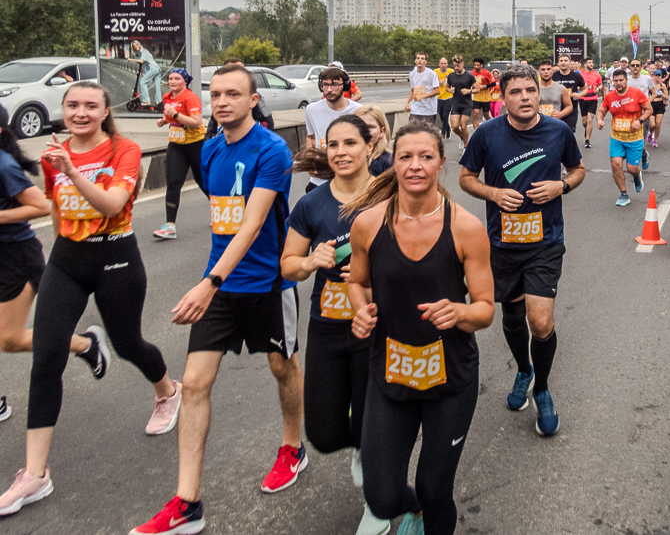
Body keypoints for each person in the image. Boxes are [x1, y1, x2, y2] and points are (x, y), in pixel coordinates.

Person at [132, 65, 301, 535]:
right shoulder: (208, 149)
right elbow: (220, 213)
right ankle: (187, 502)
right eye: (216, 94)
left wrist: (207, 282)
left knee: (281, 367)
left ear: (252, 101)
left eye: (233, 94)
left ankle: (293, 447)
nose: (222, 101)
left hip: (268, 282)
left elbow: (250, 223)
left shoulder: (272, 149)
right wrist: (213, 281)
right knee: (195, 381)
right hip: (222, 285)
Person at [1, 85, 180, 520]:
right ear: (63, 111)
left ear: (104, 111)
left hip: (116, 256)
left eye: (89, 106)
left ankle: (168, 391)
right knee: (46, 356)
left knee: (127, 344)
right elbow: (55, 209)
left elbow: (112, 203)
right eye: (72, 106)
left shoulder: (125, 149)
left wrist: (73, 171)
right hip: (66, 261)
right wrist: (61, 240)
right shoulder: (53, 154)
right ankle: (35, 474)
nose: (80, 113)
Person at [348, 123, 494, 534]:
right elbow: (356, 282)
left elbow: (485, 309)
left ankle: (429, 512)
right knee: (380, 495)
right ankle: (411, 509)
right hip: (390, 372)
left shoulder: (465, 228)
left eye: (426, 157)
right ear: (392, 164)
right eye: (405, 157)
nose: (415, 166)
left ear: (441, 164)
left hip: (450, 377)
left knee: (434, 488)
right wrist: (361, 310)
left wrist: (459, 313)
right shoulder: (368, 223)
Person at [458, 66, 584, 446]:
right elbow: (466, 178)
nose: (526, 97)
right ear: (503, 97)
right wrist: (494, 194)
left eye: (530, 90)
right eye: (516, 92)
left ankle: (542, 390)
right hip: (501, 245)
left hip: (546, 241)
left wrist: (561, 186)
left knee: (540, 321)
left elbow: (577, 170)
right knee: (511, 315)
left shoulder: (558, 131)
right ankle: (524, 369)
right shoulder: (486, 134)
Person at [281, 115, 386, 535]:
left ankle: (378, 505)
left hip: (376, 326)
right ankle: (364, 450)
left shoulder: (388, 196)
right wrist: (310, 262)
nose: (341, 152)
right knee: (323, 434)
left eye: (350, 143)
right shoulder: (311, 203)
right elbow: (288, 266)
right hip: (327, 324)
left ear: (368, 148)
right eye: (333, 144)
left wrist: (376, 276)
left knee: (370, 420)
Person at [0, 108, 103, 436]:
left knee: (10, 339)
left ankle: (86, 345)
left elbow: (41, 206)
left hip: (15, 259)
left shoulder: (3, 166)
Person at [153, 68, 205, 240]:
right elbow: (170, 117)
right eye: (170, 78)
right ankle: (170, 226)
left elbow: (197, 123)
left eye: (177, 78)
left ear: (185, 81)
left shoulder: (190, 97)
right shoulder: (167, 97)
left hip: (196, 145)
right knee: (173, 184)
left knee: (203, 180)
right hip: (176, 145)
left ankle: (219, 207)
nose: (173, 81)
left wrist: (175, 114)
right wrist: (163, 120)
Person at [597, 68, 651, 207]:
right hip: (617, 137)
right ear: (612, 82)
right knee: (616, 165)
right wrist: (600, 120)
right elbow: (602, 110)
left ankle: (639, 170)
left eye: (621, 80)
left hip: (634, 137)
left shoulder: (637, 93)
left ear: (626, 80)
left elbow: (649, 109)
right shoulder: (610, 96)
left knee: (632, 169)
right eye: (616, 81)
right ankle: (623, 194)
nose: (619, 83)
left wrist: (639, 121)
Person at [305, 66, 362, 192]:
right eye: (325, 85)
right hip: (320, 175)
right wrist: (310, 161)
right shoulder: (311, 109)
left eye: (335, 85)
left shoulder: (358, 110)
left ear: (345, 85)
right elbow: (310, 137)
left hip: (347, 171)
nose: (329, 89)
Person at [446, 56, 476, 150]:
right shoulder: (451, 75)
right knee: (454, 127)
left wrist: (469, 91)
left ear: (462, 64)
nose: (456, 68)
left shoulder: (469, 76)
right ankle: (462, 137)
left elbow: (477, 89)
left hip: (466, 104)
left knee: (463, 126)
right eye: (454, 66)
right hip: (455, 104)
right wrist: (450, 90)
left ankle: (466, 147)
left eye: (458, 65)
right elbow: (447, 87)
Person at [355, 105, 394, 176]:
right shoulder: (345, 159)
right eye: (359, 126)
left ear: (382, 131)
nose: (364, 131)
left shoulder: (388, 162)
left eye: (370, 127)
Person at [405, 52, 441, 129]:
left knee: (426, 135)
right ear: (415, 61)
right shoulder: (412, 74)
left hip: (428, 111)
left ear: (426, 62)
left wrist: (423, 96)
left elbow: (437, 91)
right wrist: (407, 102)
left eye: (422, 59)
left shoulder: (431, 74)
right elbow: (412, 90)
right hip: (415, 110)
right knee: (412, 132)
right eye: (418, 58)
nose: (420, 60)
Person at [551, 54, 585, 134]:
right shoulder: (553, 76)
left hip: (571, 110)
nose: (563, 63)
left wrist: (579, 95)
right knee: (556, 133)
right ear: (558, 63)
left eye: (565, 61)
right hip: (556, 109)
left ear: (570, 62)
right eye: (561, 61)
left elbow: (585, 89)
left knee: (569, 133)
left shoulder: (577, 76)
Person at [577, 58, 603, 149]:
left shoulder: (596, 74)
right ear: (585, 64)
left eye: (592, 62)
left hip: (593, 98)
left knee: (590, 119)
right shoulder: (580, 75)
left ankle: (587, 140)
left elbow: (601, 84)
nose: (591, 64)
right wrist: (580, 88)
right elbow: (576, 85)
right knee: (584, 122)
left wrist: (598, 89)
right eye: (589, 63)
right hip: (583, 98)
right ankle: (587, 129)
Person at [130, 39, 163, 107]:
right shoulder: (141, 53)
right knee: (157, 87)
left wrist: (131, 59)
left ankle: (146, 100)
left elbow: (142, 61)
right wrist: (144, 73)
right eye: (134, 46)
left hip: (153, 69)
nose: (136, 46)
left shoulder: (144, 51)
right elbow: (145, 63)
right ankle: (159, 103)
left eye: (136, 45)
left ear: (139, 44)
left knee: (142, 82)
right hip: (157, 69)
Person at [647, 70, 669, 148]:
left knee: (658, 124)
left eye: (659, 76)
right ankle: (650, 132)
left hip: (660, 105)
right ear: (654, 76)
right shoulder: (651, 85)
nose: (658, 77)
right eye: (656, 75)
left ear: (661, 76)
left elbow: (667, 97)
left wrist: (664, 96)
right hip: (652, 105)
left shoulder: (663, 86)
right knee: (652, 124)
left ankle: (655, 140)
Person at [470, 60, 494, 129]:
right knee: (475, 114)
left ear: (481, 65)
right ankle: (476, 132)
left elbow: (493, 83)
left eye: (478, 65)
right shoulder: (472, 73)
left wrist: (484, 86)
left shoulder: (487, 73)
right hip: (476, 97)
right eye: (475, 65)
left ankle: (492, 126)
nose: (476, 67)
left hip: (485, 97)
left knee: (486, 115)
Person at [435, 57, 453, 138]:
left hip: (448, 98)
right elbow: (431, 82)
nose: (443, 65)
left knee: (445, 116)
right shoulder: (435, 72)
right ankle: (448, 129)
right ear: (439, 64)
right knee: (442, 117)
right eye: (442, 63)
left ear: (447, 64)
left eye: (445, 63)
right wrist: (438, 82)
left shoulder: (451, 72)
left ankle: (442, 134)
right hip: (439, 97)